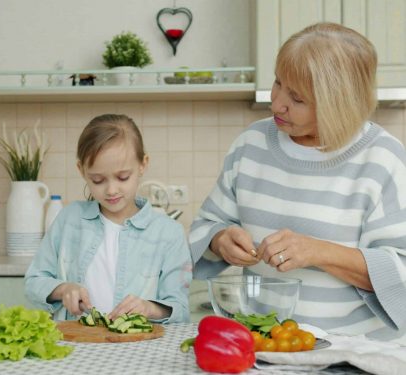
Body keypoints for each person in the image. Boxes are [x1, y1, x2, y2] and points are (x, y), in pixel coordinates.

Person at [189, 22, 406, 342]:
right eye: (278, 83)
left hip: (353, 352)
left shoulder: (383, 159)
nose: (277, 103)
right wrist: (220, 240)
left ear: (339, 102)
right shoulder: (251, 145)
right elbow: (207, 226)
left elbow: (400, 269)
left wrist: (318, 251)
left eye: (297, 98)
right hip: (266, 346)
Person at [25, 114, 192, 323]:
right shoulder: (69, 219)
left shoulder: (168, 233)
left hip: (137, 350)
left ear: (143, 164)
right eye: (97, 180)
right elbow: (33, 282)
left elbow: (181, 309)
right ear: (82, 171)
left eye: (123, 177)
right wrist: (63, 289)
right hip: (75, 346)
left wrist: (150, 308)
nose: (111, 190)